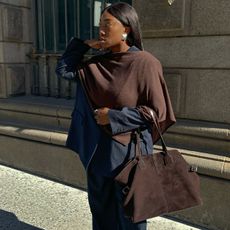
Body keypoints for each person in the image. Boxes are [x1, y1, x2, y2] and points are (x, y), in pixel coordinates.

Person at [56, 2, 176, 230]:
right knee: (101, 215)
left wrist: (113, 117)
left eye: (107, 24)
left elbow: (157, 111)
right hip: (97, 153)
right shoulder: (96, 65)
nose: (100, 29)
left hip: (129, 158)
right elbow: (63, 69)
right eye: (99, 23)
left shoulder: (145, 63)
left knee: (130, 218)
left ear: (126, 29)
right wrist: (84, 45)